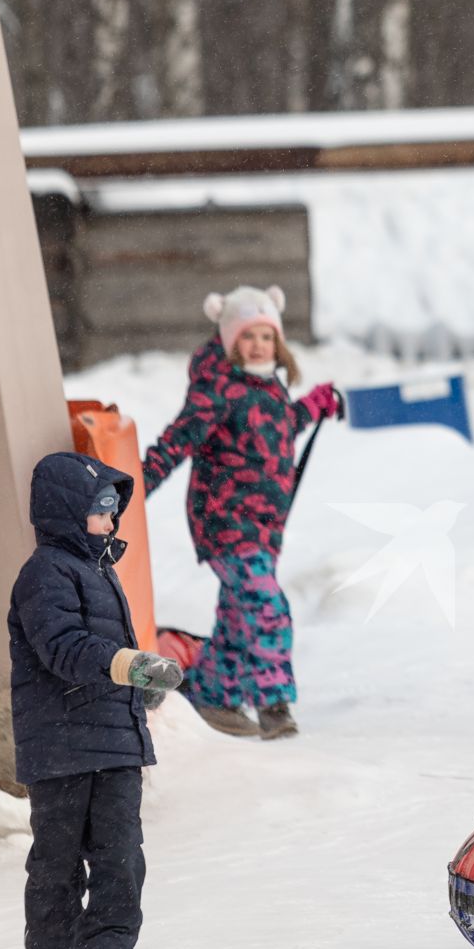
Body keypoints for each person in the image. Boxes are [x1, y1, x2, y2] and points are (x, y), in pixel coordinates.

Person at [9, 452, 185, 949]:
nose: (111, 523)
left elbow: (101, 654)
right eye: (100, 512)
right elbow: (63, 648)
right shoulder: (45, 574)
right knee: (57, 867)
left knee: (120, 862)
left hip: (111, 746)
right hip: (60, 750)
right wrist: (129, 665)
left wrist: (139, 689)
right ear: (66, 512)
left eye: (113, 512)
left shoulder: (98, 571)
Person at [142, 286, 341, 739]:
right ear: (230, 340)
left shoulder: (267, 387)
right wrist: (135, 485)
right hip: (225, 525)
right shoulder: (217, 390)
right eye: (247, 336)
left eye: (266, 336)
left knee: (239, 615)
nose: (257, 345)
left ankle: (214, 696)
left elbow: (281, 427)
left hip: (264, 528)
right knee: (266, 607)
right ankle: (273, 704)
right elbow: (177, 440)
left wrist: (313, 405)